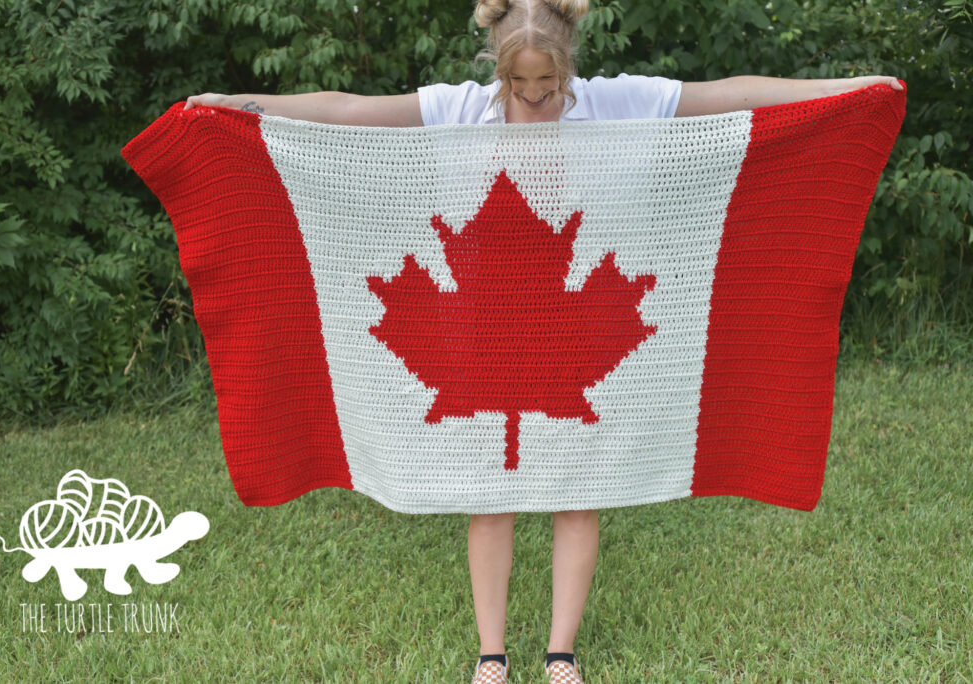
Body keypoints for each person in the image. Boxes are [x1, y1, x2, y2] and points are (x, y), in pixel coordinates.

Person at [184, 1, 901, 682]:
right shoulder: (460, 110)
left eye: (547, 82)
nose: (533, 95)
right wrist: (242, 106)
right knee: (488, 495)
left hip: (576, 325)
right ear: (497, 67)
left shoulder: (618, 103)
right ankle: (490, 653)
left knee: (577, 492)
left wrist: (850, 86)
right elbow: (346, 111)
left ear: (569, 68)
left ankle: (561, 652)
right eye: (518, 81)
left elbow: (732, 96)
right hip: (477, 327)